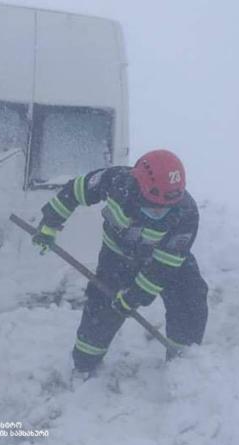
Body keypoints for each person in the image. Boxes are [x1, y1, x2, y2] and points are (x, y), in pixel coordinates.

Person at [31, 149, 208, 378]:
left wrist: (135, 296)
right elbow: (74, 191)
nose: (160, 211)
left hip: (165, 260)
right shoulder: (116, 182)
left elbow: (163, 268)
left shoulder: (186, 213)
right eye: (155, 205)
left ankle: (183, 365)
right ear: (139, 186)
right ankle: (84, 366)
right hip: (117, 258)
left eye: (166, 207)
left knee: (190, 297)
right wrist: (49, 225)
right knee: (101, 310)